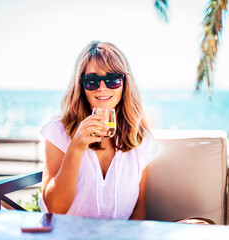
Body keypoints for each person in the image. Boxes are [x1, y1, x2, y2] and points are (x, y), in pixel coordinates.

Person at [39, 40, 156, 220]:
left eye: (112, 79)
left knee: (199, 224)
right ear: (81, 85)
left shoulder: (139, 139)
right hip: (70, 236)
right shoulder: (59, 131)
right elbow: (54, 208)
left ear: (125, 83)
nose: (102, 87)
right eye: (92, 80)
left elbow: (138, 208)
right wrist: (76, 147)